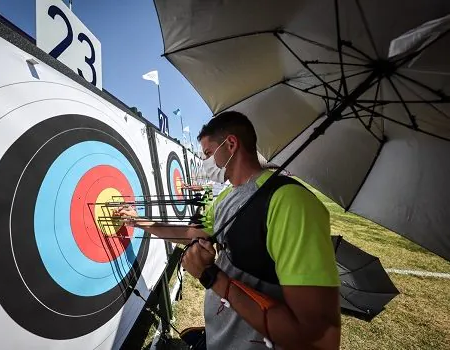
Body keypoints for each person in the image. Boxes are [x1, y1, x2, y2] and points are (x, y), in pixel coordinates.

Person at [115, 111, 340, 349]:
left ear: (231, 144)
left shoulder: (290, 202)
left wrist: (210, 276)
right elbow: (190, 235)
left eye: (209, 153)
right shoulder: (225, 197)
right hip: (219, 339)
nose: (206, 162)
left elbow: (317, 338)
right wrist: (138, 220)